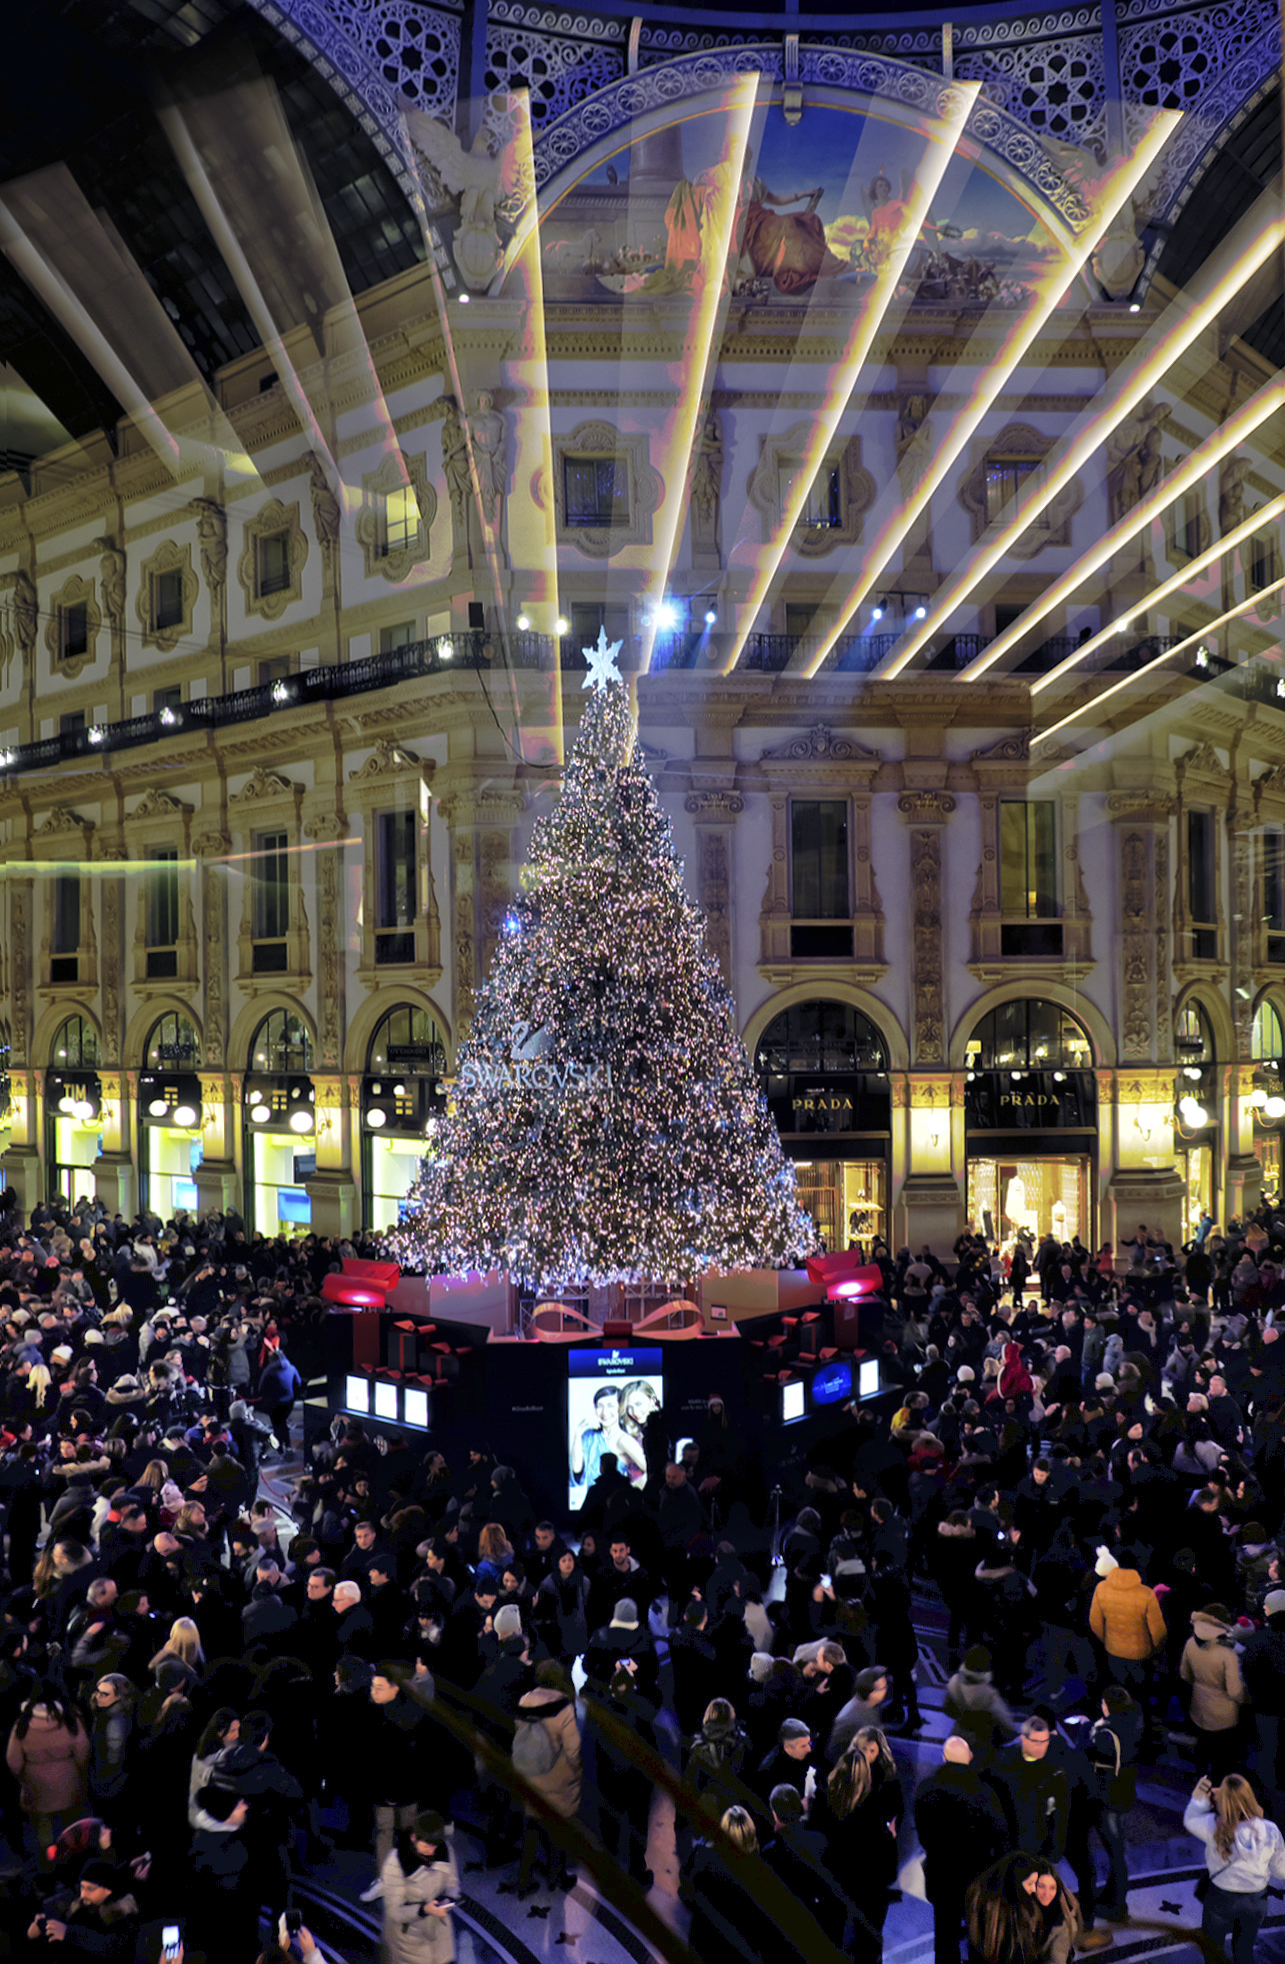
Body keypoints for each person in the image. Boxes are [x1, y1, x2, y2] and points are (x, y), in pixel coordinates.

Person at [914, 1735, 1007, 1964]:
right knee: (979, 1936)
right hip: (978, 1877)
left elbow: (923, 1833)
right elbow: (1000, 1834)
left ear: (944, 1758)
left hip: (942, 1876)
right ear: (970, 1758)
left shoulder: (927, 1788)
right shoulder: (985, 1792)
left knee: (945, 1938)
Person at [1184, 1772, 1285, 1964]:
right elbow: (1282, 1872)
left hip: (1220, 1898)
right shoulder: (1270, 1829)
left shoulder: (1213, 1826)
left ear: (1221, 1800)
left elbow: (1190, 1819)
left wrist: (1200, 1796)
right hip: (1255, 1901)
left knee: (1213, 1951)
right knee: (1244, 1951)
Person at [381, 1810, 461, 1964]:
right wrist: (424, 1910)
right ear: (413, 1837)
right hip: (409, 1939)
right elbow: (394, 1912)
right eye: (426, 1844)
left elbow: (453, 1883)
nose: (431, 1850)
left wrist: (449, 1898)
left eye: (435, 1845)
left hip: (439, 1932)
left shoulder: (445, 1850)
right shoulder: (396, 1862)